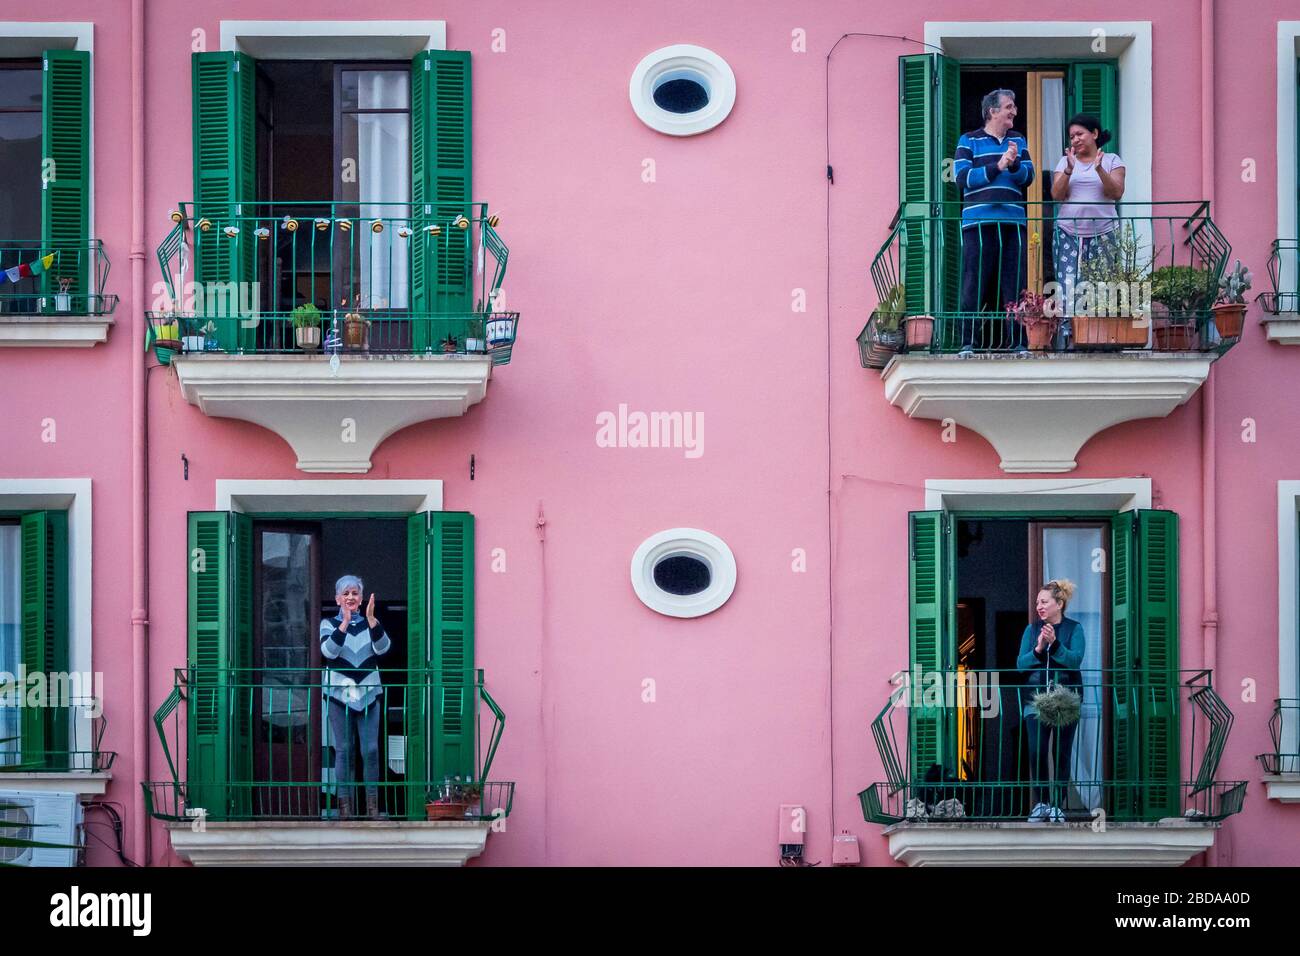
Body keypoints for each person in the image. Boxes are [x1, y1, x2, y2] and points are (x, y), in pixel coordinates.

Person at [954, 89, 1035, 355]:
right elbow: (962, 178)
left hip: (1013, 224)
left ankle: (1018, 342)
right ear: (993, 111)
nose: (1014, 112)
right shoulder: (969, 141)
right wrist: (997, 166)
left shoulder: (1018, 140)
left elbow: (1028, 177)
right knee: (974, 281)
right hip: (978, 224)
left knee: (1014, 284)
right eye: (1009, 107)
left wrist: (1012, 164)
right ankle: (968, 343)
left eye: (1014, 107)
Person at [1051, 114, 1127, 345]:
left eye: (1079, 134)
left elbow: (1116, 193)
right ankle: (1068, 339)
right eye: (1072, 136)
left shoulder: (1113, 160)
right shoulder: (1065, 162)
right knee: (1068, 286)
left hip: (1103, 234)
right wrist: (1069, 171)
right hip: (1068, 233)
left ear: (1094, 134)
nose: (1075, 139)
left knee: (1102, 285)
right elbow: (1056, 196)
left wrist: (1099, 169)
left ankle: (1100, 340)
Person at [320, 574, 391, 819]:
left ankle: (372, 807)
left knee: (370, 749)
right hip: (339, 693)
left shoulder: (371, 623)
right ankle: (344, 808)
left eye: (355, 593)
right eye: (346, 593)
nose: (350, 597)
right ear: (337, 598)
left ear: (361, 598)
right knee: (344, 749)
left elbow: (383, 649)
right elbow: (328, 652)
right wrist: (344, 624)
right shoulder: (328, 624)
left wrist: (371, 620)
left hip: (369, 691)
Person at [1015, 579, 1085, 822]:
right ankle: (1042, 803)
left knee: (1061, 752)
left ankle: (1058, 805)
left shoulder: (1074, 629)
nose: (1039, 607)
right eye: (1037, 603)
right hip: (1034, 700)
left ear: (1059, 603)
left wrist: (1055, 645)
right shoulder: (1031, 630)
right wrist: (1038, 647)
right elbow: (1020, 665)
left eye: (1044, 602)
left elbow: (1075, 661)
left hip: (1066, 701)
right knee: (1036, 751)